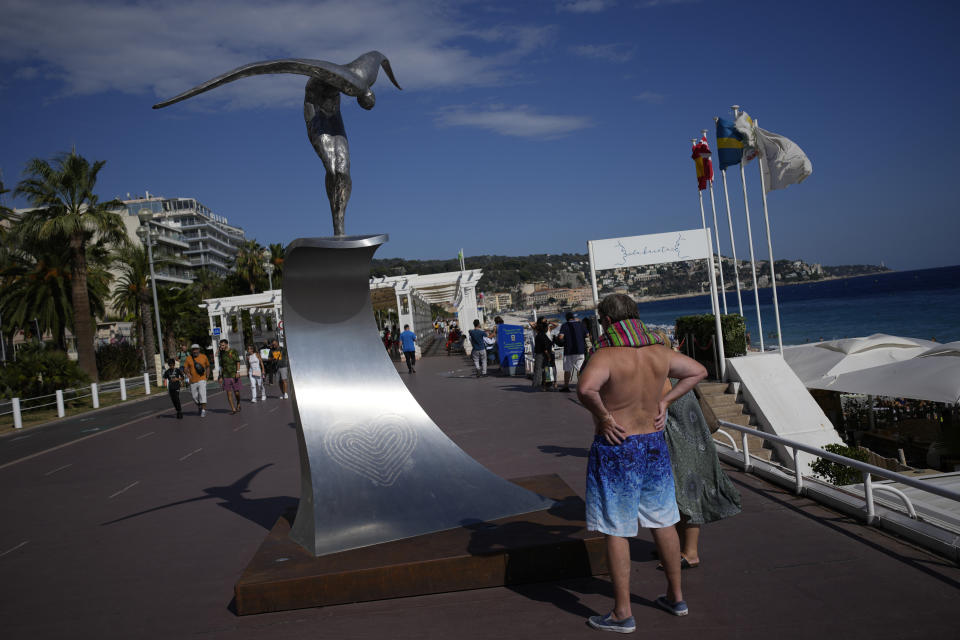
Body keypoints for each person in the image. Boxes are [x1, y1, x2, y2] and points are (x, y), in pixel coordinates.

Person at [577, 293, 707, 633]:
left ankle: (622, 613)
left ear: (605, 320)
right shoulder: (658, 351)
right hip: (653, 443)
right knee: (663, 520)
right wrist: (665, 401)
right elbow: (698, 371)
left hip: (617, 446)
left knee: (616, 528)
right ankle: (676, 597)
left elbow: (585, 389)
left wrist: (604, 417)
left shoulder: (605, 355)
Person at [556, 312, 588, 393]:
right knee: (580, 369)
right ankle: (582, 386)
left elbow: (560, 337)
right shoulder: (580, 325)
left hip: (569, 351)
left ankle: (566, 387)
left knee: (567, 370)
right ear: (573, 318)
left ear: (567, 318)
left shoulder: (565, 325)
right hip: (580, 350)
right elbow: (587, 335)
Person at [183, 344, 211, 417]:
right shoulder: (188, 358)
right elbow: (185, 368)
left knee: (202, 394)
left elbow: (208, 366)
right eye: (193, 349)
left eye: (196, 349)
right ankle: (199, 406)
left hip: (202, 379)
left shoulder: (204, 357)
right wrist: (188, 374)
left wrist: (207, 376)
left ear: (199, 349)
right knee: (194, 396)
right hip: (193, 380)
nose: (195, 351)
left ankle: (203, 410)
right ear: (191, 351)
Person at [217, 339, 242, 415]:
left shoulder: (233, 351)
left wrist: (238, 372)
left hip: (234, 375)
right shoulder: (221, 353)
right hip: (226, 376)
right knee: (228, 392)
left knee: (237, 393)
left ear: (227, 344)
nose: (221, 347)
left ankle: (238, 403)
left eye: (223, 345)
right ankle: (233, 409)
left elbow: (237, 361)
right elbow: (221, 366)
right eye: (220, 345)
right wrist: (220, 376)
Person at [531, 319, 557, 391]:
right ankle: (545, 385)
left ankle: (544, 386)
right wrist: (548, 356)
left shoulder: (539, 334)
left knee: (544, 370)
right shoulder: (542, 335)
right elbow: (545, 348)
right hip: (545, 354)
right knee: (546, 370)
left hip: (542, 353)